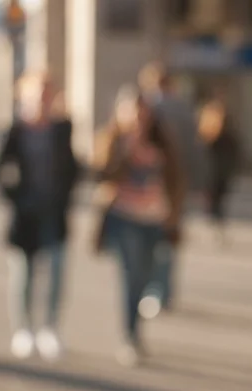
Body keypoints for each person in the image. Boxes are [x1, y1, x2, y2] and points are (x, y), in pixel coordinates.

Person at [92, 86, 185, 367]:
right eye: (133, 111)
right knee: (131, 278)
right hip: (125, 217)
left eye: (143, 112)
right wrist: (127, 150)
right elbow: (102, 175)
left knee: (147, 276)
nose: (139, 117)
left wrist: (174, 215)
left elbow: (176, 179)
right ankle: (130, 336)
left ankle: (135, 331)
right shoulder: (114, 140)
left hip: (154, 219)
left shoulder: (162, 142)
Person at [0, 72, 78, 361]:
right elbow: (0, 170)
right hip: (25, 214)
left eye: (47, 93)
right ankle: (24, 329)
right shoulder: (16, 130)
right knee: (24, 274)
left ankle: (49, 328)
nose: (43, 99)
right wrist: (16, 198)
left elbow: (71, 168)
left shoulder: (62, 128)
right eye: (38, 93)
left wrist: (67, 199)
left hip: (54, 212)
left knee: (56, 270)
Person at [137, 62, 207, 318]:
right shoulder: (184, 108)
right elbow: (196, 149)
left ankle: (151, 289)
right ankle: (163, 292)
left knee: (150, 240)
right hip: (178, 185)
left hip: (150, 184)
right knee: (169, 239)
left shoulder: (146, 108)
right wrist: (200, 183)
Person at [198, 92, 240, 246]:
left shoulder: (215, 135)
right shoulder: (214, 135)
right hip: (219, 172)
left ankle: (217, 228)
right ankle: (217, 228)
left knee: (215, 202)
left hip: (217, 172)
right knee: (216, 202)